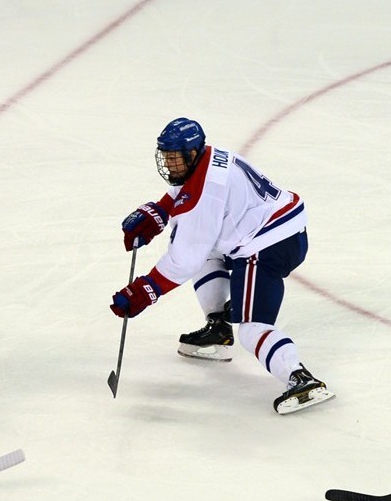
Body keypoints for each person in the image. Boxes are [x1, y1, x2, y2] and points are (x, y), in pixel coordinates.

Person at [112, 117, 334, 414]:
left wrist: (144, 290)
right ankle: (218, 327)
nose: (168, 165)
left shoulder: (204, 193)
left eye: (174, 158)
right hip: (275, 227)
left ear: (192, 154)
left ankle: (300, 378)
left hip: (267, 245)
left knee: (252, 329)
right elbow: (188, 193)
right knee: (206, 251)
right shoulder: (208, 158)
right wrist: (161, 211)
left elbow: (184, 260)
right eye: (165, 157)